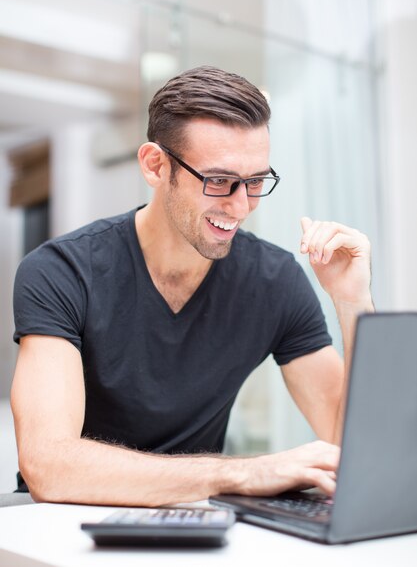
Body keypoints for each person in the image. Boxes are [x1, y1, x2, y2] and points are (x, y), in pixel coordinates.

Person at [11, 65, 373, 507]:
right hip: (65, 524)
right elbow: (49, 467)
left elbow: (354, 446)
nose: (241, 206)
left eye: (256, 181)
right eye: (218, 180)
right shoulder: (61, 271)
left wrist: (352, 301)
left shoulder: (274, 281)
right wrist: (245, 472)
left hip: (194, 518)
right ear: (156, 165)